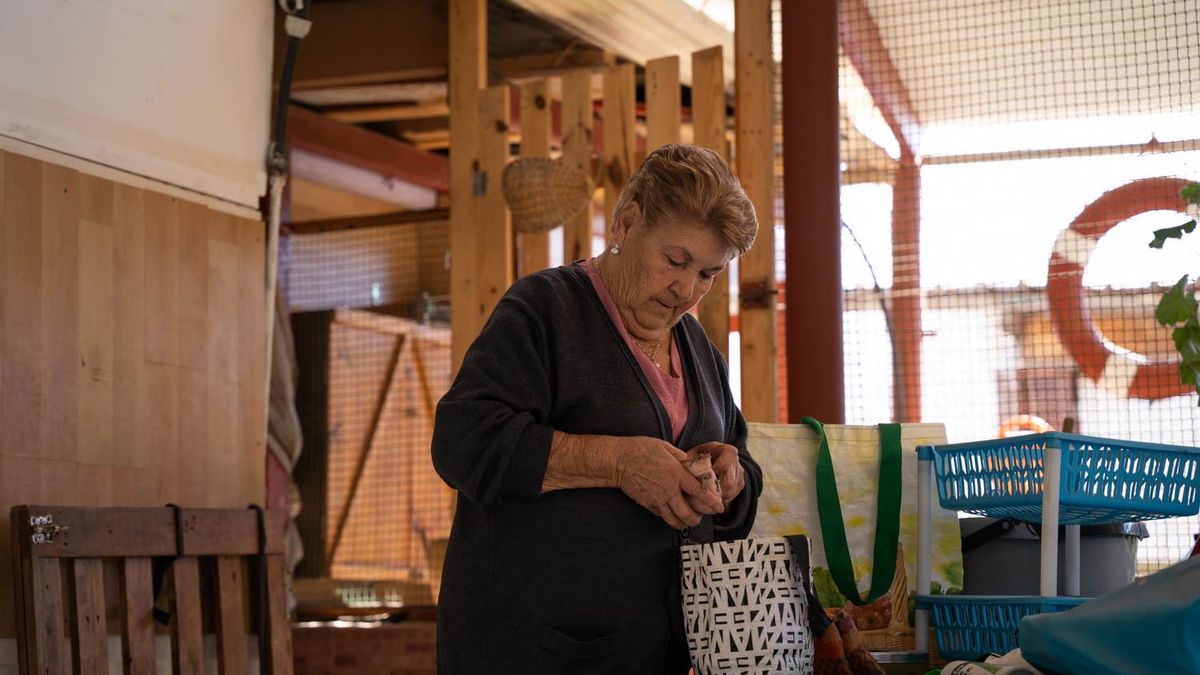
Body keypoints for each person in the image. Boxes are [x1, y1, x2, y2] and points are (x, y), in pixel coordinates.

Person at [431, 143, 764, 674]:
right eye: (675, 260)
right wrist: (618, 463)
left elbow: (742, 468)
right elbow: (464, 440)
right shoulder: (545, 310)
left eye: (707, 274)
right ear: (627, 223)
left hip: (656, 656)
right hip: (532, 653)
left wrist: (732, 478)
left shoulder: (700, 351)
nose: (686, 289)